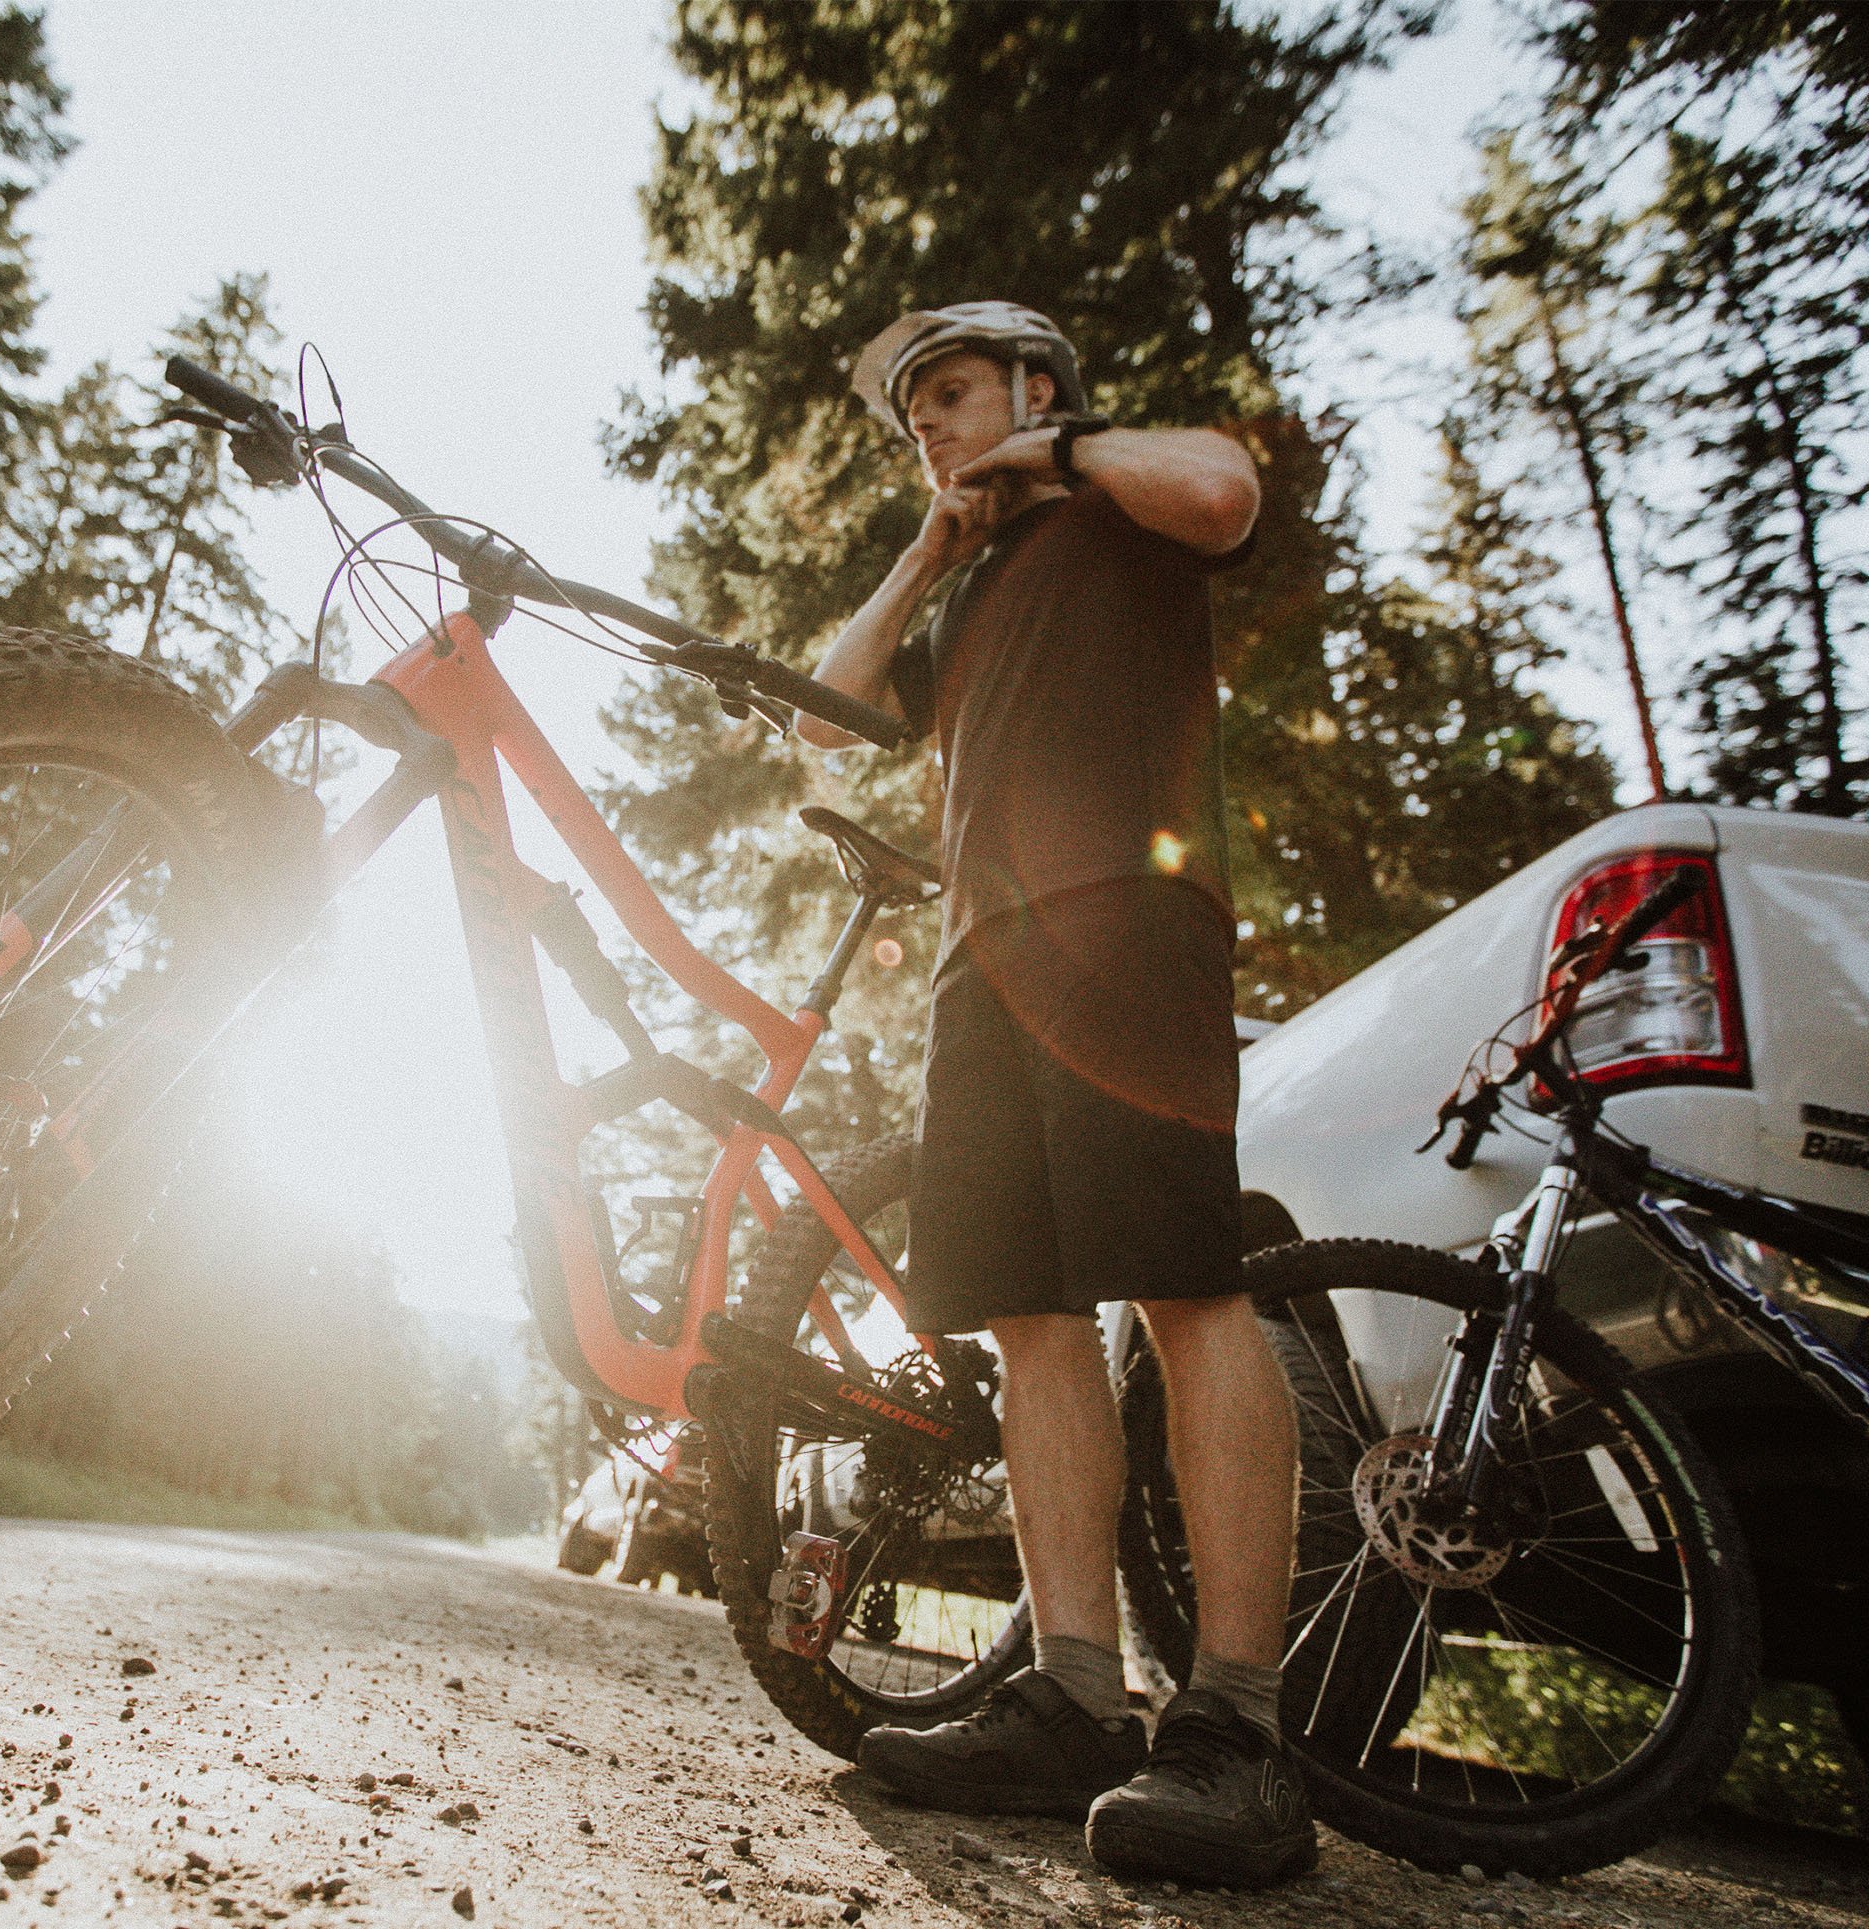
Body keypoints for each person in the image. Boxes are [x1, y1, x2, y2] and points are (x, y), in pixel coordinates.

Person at [796, 303, 1313, 1889]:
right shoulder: (967, 601)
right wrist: (921, 554)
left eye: (949, 397)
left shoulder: (1126, 499)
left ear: (1034, 384)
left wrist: (1051, 450)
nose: (932, 429)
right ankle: (1073, 1696)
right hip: (986, 960)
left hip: (1131, 915)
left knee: (1180, 1286)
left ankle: (1235, 1731)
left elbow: (1229, 491)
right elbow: (823, 715)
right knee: (1024, 1317)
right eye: (914, 419)